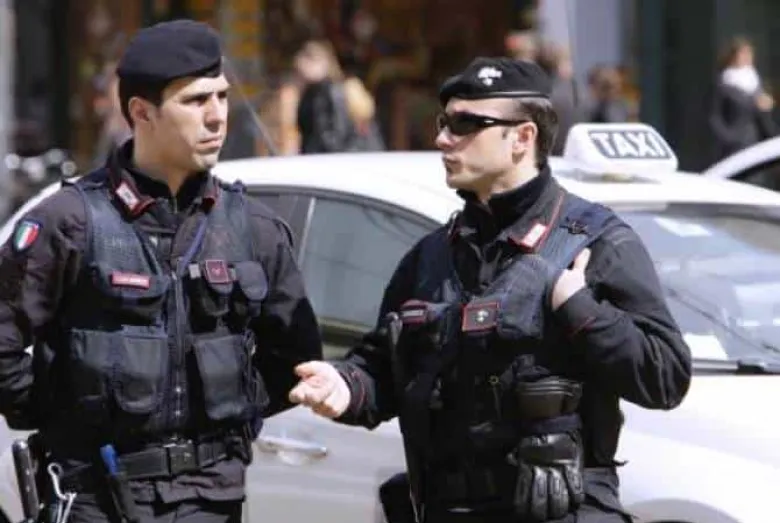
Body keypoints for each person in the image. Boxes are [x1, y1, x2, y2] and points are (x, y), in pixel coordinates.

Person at [288, 57, 692, 523]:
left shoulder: (594, 242)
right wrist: (346, 386)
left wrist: (580, 308)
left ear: (522, 137)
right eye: (443, 123)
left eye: (466, 124)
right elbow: (384, 368)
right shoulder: (430, 256)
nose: (443, 139)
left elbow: (666, 377)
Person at [0, 19, 322, 523]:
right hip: (95, 497)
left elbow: (296, 356)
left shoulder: (251, 228)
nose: (217, 116)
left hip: (210, 499)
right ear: (141, 112)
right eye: (196, 101)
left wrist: (230, 408)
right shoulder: (70, 222)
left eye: (221, 96)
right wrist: (59, 415)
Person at [709, 36, 777, 162]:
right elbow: (714, 116)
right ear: (733, 56)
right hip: (734, 146)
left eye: (749, 54)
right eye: (743, 54)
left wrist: (764, 107)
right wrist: (728, 138)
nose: (747, 57)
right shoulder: (723, 83)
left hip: (755, 143)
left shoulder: (755, 81)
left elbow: (761, 116)